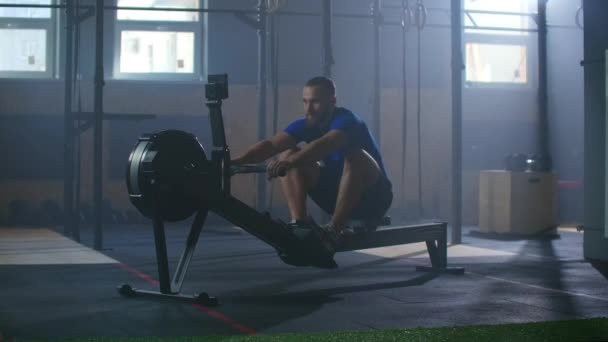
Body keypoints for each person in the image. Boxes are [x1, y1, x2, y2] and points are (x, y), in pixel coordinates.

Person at [231, 76, 393, 259]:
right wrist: (235, 162)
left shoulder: (348, 121)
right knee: (289, 153)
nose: (308, 109)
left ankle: (333, 233)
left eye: (315, 102)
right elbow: (271, 145)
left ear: (332, 101)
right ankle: (301, 225)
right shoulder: (306, 125)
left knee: (355, 157)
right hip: (338, 198)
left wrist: (291, 163)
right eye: (305, 102)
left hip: (374, 198)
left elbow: (327, 143)